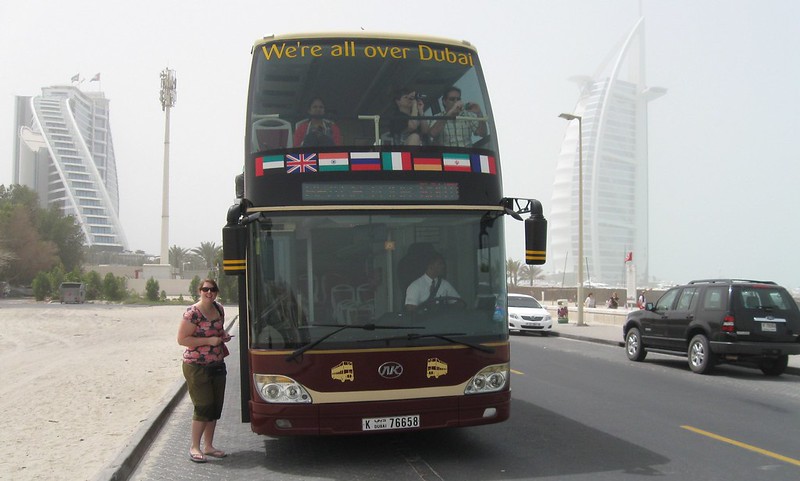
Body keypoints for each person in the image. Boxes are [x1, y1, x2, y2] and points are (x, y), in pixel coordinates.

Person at [177, 279, 232, 463]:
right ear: (199, 291)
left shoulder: (219, 309)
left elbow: (218, 331)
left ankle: (208, 446)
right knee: (203, 406)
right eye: (206, 289)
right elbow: (182, 339)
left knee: (215, 406)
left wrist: (222, 336)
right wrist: (209, 341)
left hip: (217, 363)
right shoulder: (193, 313)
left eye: (213, 289)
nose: (210, 293)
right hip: (196, 367)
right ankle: (195, 446)